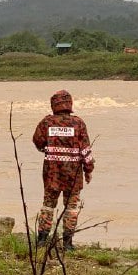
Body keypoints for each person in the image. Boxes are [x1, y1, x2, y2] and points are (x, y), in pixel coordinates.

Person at [32, 89, 94, 250]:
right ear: (70, 104)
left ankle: (41, 241)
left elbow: (37, 140)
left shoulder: (47, 122)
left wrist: (46, 148)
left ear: (54, 105)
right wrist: (88, 170)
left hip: (52, 174)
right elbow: (86, 150)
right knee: (72, 208)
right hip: (73, 175)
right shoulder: (78, 123)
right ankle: (67, 243)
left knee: (48, 205)